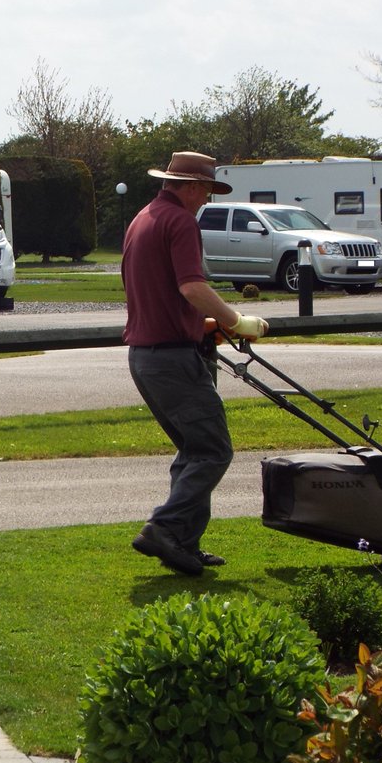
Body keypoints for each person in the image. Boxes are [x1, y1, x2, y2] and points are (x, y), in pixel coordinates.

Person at [122, 152, 269, 575]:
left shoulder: (143, 218)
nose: (206, 198)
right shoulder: (181, 222)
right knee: (213, 450)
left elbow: (161, 294)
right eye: (205, 190)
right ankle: (164, 528)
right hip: (171, 357)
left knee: (193, 450)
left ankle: (182, 542)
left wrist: (204, 325)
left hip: (147, 355)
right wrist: (236, 320)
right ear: (189, 186)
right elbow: (190, 286)